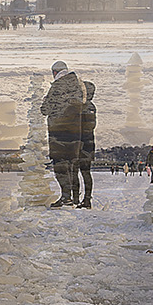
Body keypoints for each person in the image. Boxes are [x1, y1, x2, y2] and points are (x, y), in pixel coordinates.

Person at [41, 60, 84, 207]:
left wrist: (46, 102)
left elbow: (45, 110)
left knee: (60, 165)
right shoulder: (78, 86)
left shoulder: (57, 86)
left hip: (59, 133)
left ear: (54, 73)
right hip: (75, 133)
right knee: (72, 166)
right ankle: (74, 198)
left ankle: (66, 196)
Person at [73, 81, 97, 209]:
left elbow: (85, 127)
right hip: (88, 144)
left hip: (81, 144)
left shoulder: (85, 107)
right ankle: (84, 199)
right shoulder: (90, 106)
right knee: (84, 172)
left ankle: (79, 199)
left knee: (79, 171)